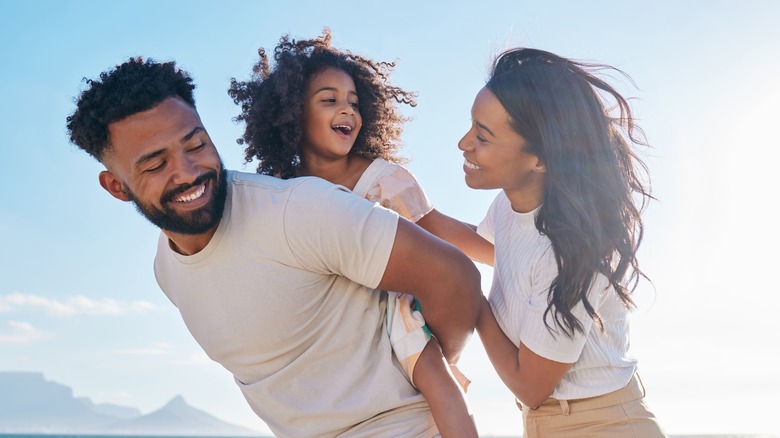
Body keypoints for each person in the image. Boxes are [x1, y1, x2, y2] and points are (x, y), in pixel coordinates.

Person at [65, 57, 482, 438]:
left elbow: (455, 277)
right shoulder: (167, 271)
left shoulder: (297, 210)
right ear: (117, 186)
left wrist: (425, 363)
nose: (188, 172)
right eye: (156, 164)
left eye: (196, 145)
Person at [229, 31, 490, 438]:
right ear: (294, 113)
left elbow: (440, 230)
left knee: (440, 383)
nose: (346, 109)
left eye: (353, 101)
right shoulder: (284, 193)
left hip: (394, 311)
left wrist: (509, 251)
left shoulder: (384, 181)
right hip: (336, 335)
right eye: (329, 99)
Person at [460, 48, 667, 437]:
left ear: (540, 159)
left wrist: (467, 295)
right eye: (471, 126)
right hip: (548, 423)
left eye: (482, 137)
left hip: (602, 425)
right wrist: (403, 204)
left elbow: (531, 386)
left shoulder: (571, 250)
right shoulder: (510, 206)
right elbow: (486, 246)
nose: (463, 144)